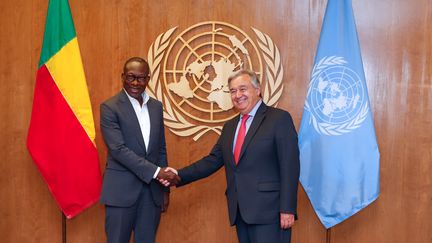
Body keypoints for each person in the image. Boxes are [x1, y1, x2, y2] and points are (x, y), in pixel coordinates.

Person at [163, 69, 300, 243]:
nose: (237, 95)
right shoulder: (230, 126)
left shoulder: (278, 119)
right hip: (240, 212)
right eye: (233, 91)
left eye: (243, 89)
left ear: (257, 90)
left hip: (270, 213)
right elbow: (212, 161)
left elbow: (290, 166)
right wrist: (178, 175)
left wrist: (287, 208)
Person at [100, 57, 180, 243]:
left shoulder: (156, 106)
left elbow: (160, 148)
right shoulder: (109, 107)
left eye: (141, 78)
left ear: (148, 79)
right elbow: (118, 150)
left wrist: (164, 190)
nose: (136, 83)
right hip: (121, 192)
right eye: (131, 77)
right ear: (123, 77)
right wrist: (156, 172)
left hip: (151, 194)